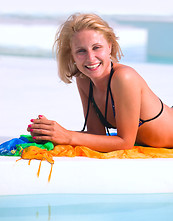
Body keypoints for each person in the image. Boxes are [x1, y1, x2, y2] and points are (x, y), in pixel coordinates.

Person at [27, 13, 173, 152]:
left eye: (96, 47)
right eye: (81, 51)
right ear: (72, 55)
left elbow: (125, 143)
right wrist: (51, 134)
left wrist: (67, 136)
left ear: (109, 46)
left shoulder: (124, 78)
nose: (91, 58)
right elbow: (96, 135)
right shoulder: (84, 80)